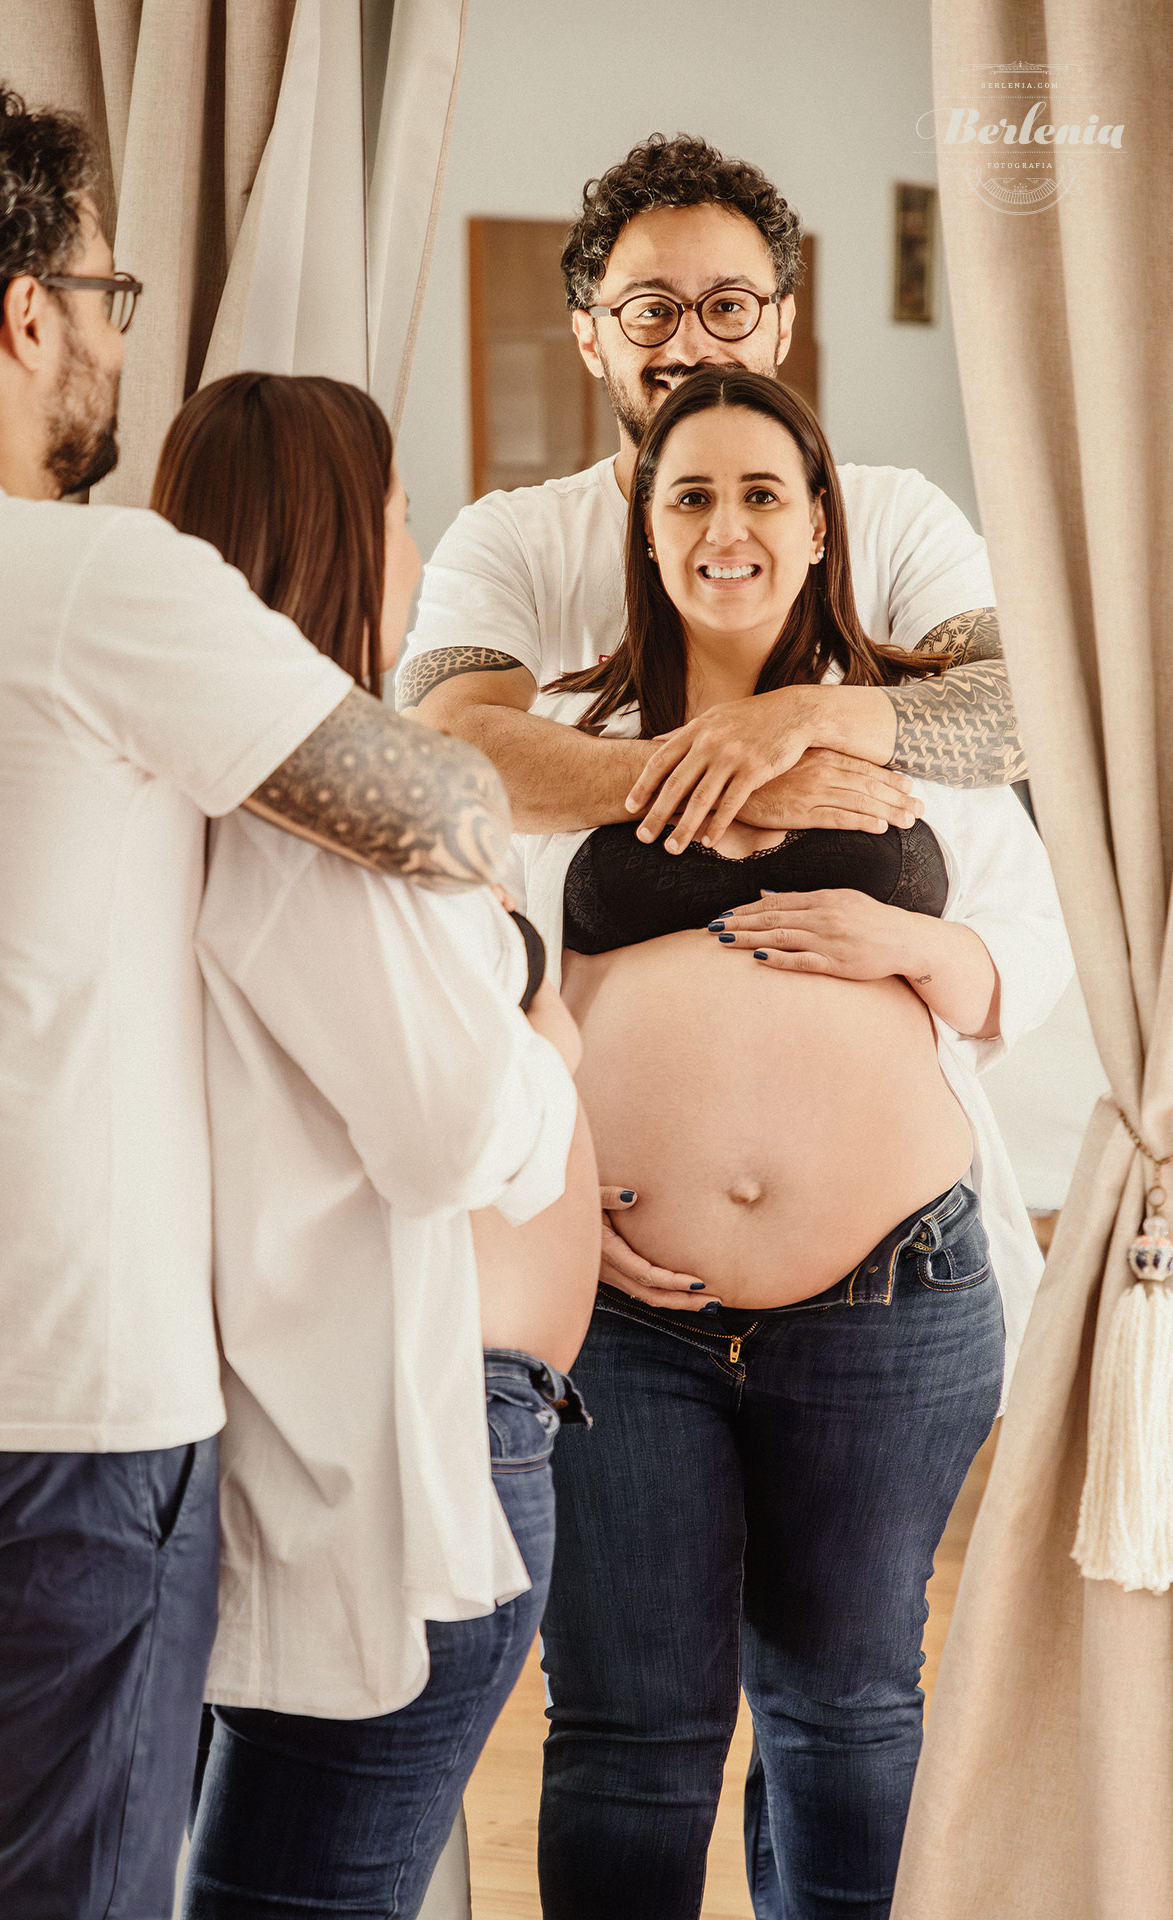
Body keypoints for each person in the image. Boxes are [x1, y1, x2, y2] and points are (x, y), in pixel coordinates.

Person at [0, 77, 508, 1919]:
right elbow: (442, 808)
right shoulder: (95, 586)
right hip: (53, 1405)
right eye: (106, 297)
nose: (108, 340)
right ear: (23, 314)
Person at [518, 367, 1074, 1920]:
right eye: (689, 495)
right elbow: (496, 991)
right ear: (646, 529)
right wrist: (561, 1184)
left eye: (764, 493)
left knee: (849, 1714)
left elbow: (1019, 961)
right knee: (630, 1730)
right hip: (625, 1316)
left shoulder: (925, 737)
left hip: (889, 1298)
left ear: (820, 528)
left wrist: (903, 941)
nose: (728, 527)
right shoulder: (573, 744)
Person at [142, 371, 600, 1919]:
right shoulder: (321, 821)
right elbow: (461, 1134)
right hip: (402, 1449)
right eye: (403, 510)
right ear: (350, 534)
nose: (416, 542)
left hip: (371, 1423)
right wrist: (551, 1037)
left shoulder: (181, 790)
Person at [398, 131, 1023, 872]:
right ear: (590, 338)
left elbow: (1024, 711)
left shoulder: (899, 516)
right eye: (649, 309)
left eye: (728, 305)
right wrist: (737, 781)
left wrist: (793, 720)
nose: (691, 344)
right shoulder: (511, 539)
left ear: (782, 323)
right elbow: (439, 757)